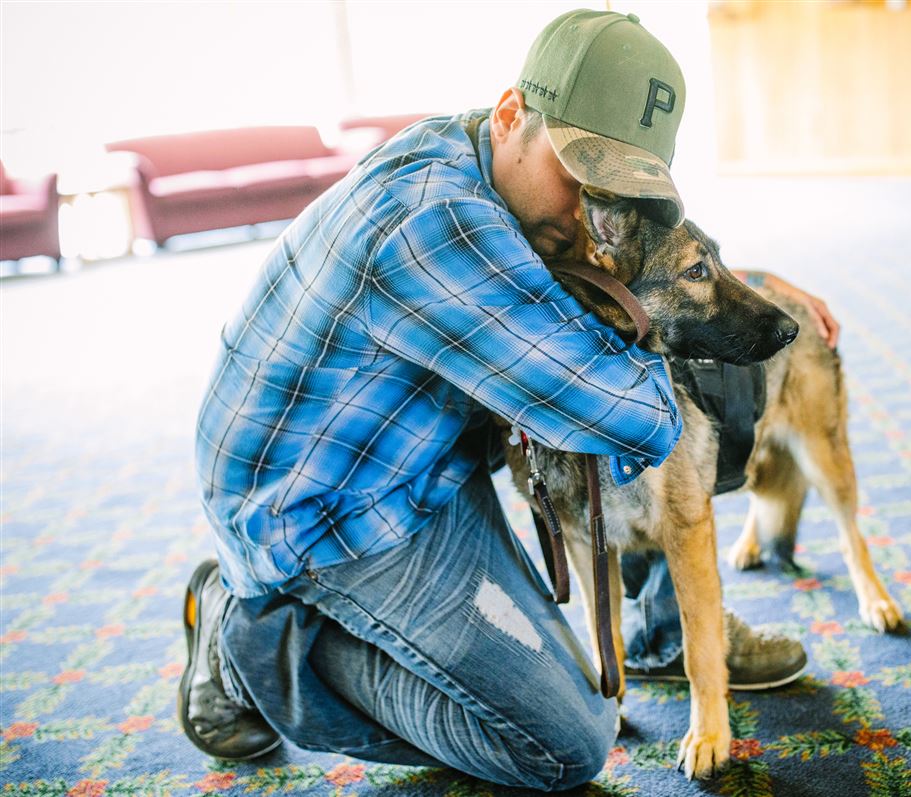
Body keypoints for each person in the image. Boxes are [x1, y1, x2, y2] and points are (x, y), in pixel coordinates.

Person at [181, 8, 839, 791]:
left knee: (634, 455)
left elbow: (638, 276)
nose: (594, 217)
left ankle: (662, 632)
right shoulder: (442, 226)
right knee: (565, 742)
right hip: (325, 515)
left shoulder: (482, 162)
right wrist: (710, 325)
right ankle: (247, 640)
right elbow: (631, 416)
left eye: (619, 191)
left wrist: (745, 297)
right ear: (510, 112)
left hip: (415, 460)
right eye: (583, 176)